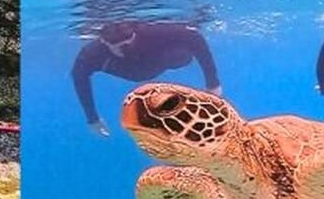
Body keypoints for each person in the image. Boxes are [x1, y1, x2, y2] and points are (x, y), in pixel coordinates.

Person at [71, 21, 221, 137]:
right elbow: (79, 77)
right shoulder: (92, 54)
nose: (126, 49)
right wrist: (92, 118)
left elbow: (194, 36)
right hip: (130, 70)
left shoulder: (151, 32)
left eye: (129, 43)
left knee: (182, 55)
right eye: (120, 46)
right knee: (89, 66)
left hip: (159, 57)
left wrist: (212, 83)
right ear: (103, 41)